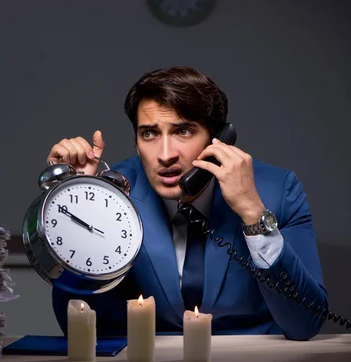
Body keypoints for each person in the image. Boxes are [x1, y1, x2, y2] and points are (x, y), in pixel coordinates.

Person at [46, 65, 328, 341]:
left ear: (219, 140)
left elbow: (304, 323)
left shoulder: (278, 190)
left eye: (183, 131)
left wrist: (252, 213)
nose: (165, 154)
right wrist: (81, 203)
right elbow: (79, 328)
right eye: (150, 133)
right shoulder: (115, 196)